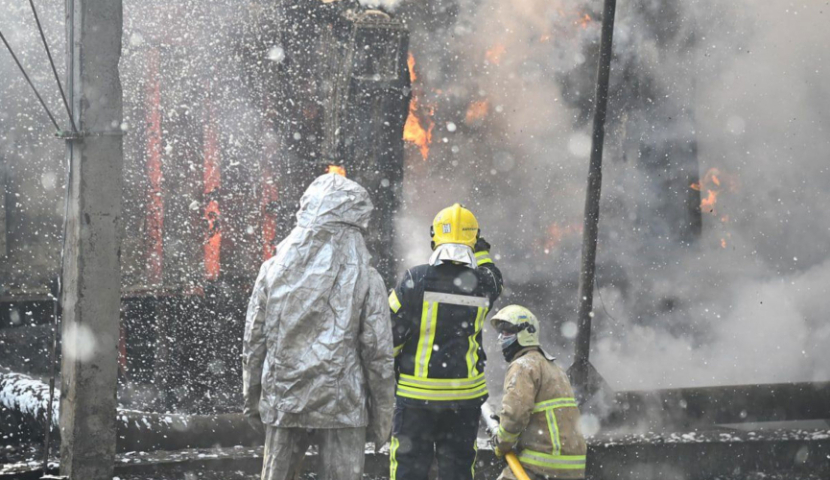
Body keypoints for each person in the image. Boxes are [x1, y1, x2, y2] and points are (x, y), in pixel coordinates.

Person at [242, 173, 396, 480]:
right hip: (342, 405)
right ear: (356, 225)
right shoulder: (367, 278)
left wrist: (253, 401)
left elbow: (254, 342)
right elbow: (378, 354)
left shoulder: (271, 271)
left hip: (284, 400)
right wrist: (383, 417)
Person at [388, 203, 504, 480]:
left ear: (435, 238)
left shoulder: (415, 279)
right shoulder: (484, 284)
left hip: (417, 399)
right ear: (473, 240)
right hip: (463, 399)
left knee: (410, 469)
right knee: (458, 470)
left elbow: (389, 336)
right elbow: (495, 278)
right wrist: (483, 252)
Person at [489, 305, 587, 480]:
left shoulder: (523, 366)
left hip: (542, 465)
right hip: (573, 467)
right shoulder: (554, 368)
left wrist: (501, 443)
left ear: (526, 333)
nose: (502, 339)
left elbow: (515, 415)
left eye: (507, 332)